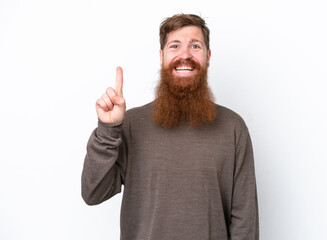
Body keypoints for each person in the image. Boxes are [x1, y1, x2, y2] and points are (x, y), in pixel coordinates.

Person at [81, 13, 259, 240]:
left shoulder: (233, 127)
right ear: (162, 56)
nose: (185, 55)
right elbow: (93, 192)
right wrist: (108, 129)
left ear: (208, 56)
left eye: (195, 46)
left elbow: (245, 220)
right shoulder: (132, 125)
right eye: (175, 46)